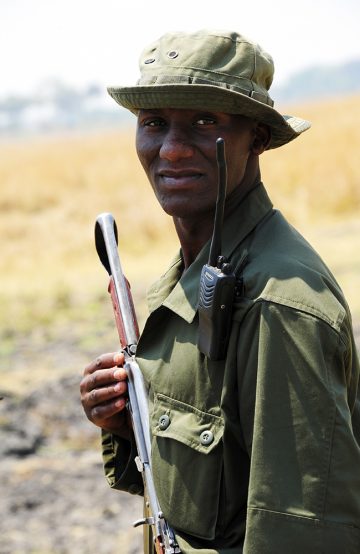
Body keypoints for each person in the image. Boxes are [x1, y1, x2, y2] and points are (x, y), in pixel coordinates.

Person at [80, 30, 360, 553]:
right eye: (154, 123)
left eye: (205, 121)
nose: (172, 148)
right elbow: (213, 490)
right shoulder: (198, 269)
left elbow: (299, 530)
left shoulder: (278, 302)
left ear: (256, 137)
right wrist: (130, 419)